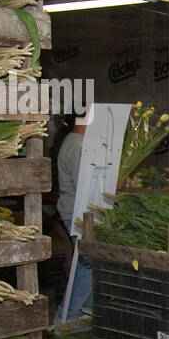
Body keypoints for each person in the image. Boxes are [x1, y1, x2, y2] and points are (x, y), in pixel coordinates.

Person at [54, 115, 93, 322]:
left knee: (86, 264)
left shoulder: (72, 141)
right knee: (86, 265)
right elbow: (83, 185)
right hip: (77, 214)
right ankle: (68, 315)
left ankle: (80, 314)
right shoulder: (77, 145)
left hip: (73, 213)